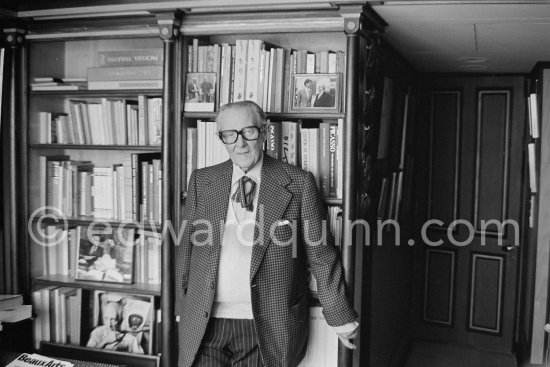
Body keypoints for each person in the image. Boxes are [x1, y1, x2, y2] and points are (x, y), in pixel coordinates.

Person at [176, 100, 358, 367]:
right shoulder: (202, 181)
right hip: (205, 325)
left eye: (248, 131)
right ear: (222, 139)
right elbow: (186, 250)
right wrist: (181, 308)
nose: (239, 143)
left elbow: (321, 254)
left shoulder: (299, 182)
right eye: (229, 135)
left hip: (267, 327)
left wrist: (340, 315)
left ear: (263, 131)